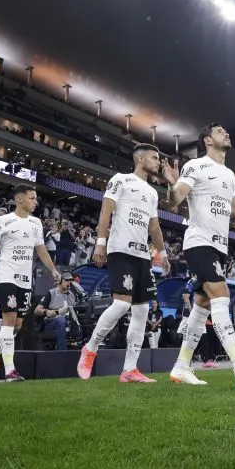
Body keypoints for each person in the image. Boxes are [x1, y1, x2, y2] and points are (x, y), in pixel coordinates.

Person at [161, 123, 235, 386]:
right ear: (207, 140)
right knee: (222, 294)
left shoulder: (229, 175)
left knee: (201, 307)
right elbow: (175, 200)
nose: (226, 133)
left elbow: (233, 208)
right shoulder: (195, 166)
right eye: (220, 131)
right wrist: (171, 184)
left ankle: (181, 366)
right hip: (198, 242)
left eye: (227, 131)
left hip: (220, 247)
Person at [77, 144, 166, 383]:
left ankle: (129, 369)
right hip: (120, 250)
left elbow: (154, 226)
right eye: (154, 157)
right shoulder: (121, 180)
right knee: (121, 305)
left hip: (142, 256)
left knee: (142, 310)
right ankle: (90, 349)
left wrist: (164, 254)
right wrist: (100, 242)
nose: (158, 162)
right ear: (139, 158)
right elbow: (106, 211)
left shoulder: (152, 192)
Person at [0, 185, 58, 382]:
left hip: (25, 279)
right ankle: (10, 371)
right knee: (9, 320)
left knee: (17, 326)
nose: (35, 202)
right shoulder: (3, 221)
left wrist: (53, 269)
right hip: (7, 276)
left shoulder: (36, 223)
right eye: (32, 198)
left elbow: (41, 250)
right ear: (19, 199)